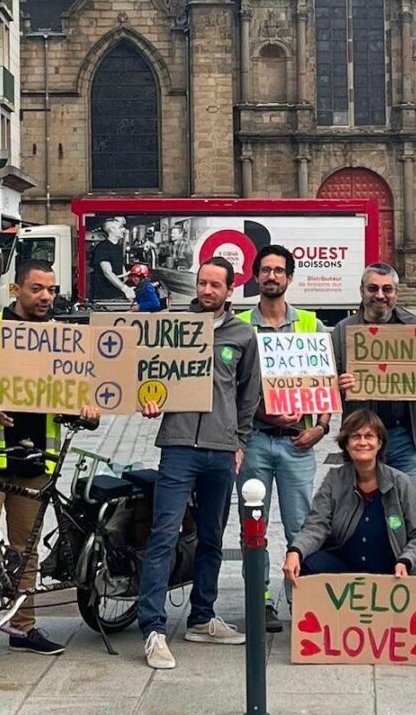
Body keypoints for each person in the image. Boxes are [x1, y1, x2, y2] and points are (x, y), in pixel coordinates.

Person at [0, 259, 101, 668]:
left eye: (50, 289)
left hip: (37, 459)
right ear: (16, 290)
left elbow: (74, 398)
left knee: (25, 549)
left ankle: (22, 626)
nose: (46, 296)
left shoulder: (63, 339)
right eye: (36, 288)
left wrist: (86, 410)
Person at [138, 257, 261, 670]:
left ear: (230, 290)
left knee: (212, 536)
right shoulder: (174, 327)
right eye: (202, 283)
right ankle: (152, 627)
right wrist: (148, 399)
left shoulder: (243, 334)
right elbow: (146, 375)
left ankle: (202, 617)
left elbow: (248, 393)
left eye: (215, 285)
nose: (207, 291)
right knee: (164, 534)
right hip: (178, 445)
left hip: (221, 450)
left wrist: (240, 440)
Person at [333, 262, 416, 573]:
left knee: (414, 514)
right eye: (373, 289)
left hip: (405, 437)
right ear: (362, 292)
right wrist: (339, 384)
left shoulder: (413, 326)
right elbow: (328, 381)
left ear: (396, 293)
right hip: (363, 441)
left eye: (387, 289)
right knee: (362, 515)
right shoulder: (343, 331)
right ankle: (372, 580)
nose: (380, 295)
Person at [234, 244, 332, 632]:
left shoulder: (311, 324)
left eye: (279, 270)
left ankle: (303, 601)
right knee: (252, 525)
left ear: (289, 278)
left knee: (301, 527)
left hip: (298, 443)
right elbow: (234, 387)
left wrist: (321, 427)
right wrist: (260, 412)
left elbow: (326, 385)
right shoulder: (241, 324)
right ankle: (260, 602)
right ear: (255, 277)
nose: (272, 276)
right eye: (265, 270)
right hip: (255, 439)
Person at [281, 409, 416, 583]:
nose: (362, 442)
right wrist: (295, 551)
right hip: (346, 566)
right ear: (346, 444)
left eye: (369, 436)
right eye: (355, 437)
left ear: (380, 442)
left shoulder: (401, 482)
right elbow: (316, 525)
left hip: (393, 569)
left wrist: (406, 560)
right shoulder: (334, 480)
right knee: (307, 562)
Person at [89, 217, 133, 302]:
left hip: (116, 294)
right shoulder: (103, 248)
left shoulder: (117, 248)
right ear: (112, 229)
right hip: (105, 297)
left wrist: (128, 282)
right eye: (120, 227)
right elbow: (107, 272)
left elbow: (120, 267)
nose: (123, 230)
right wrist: (125, 288)